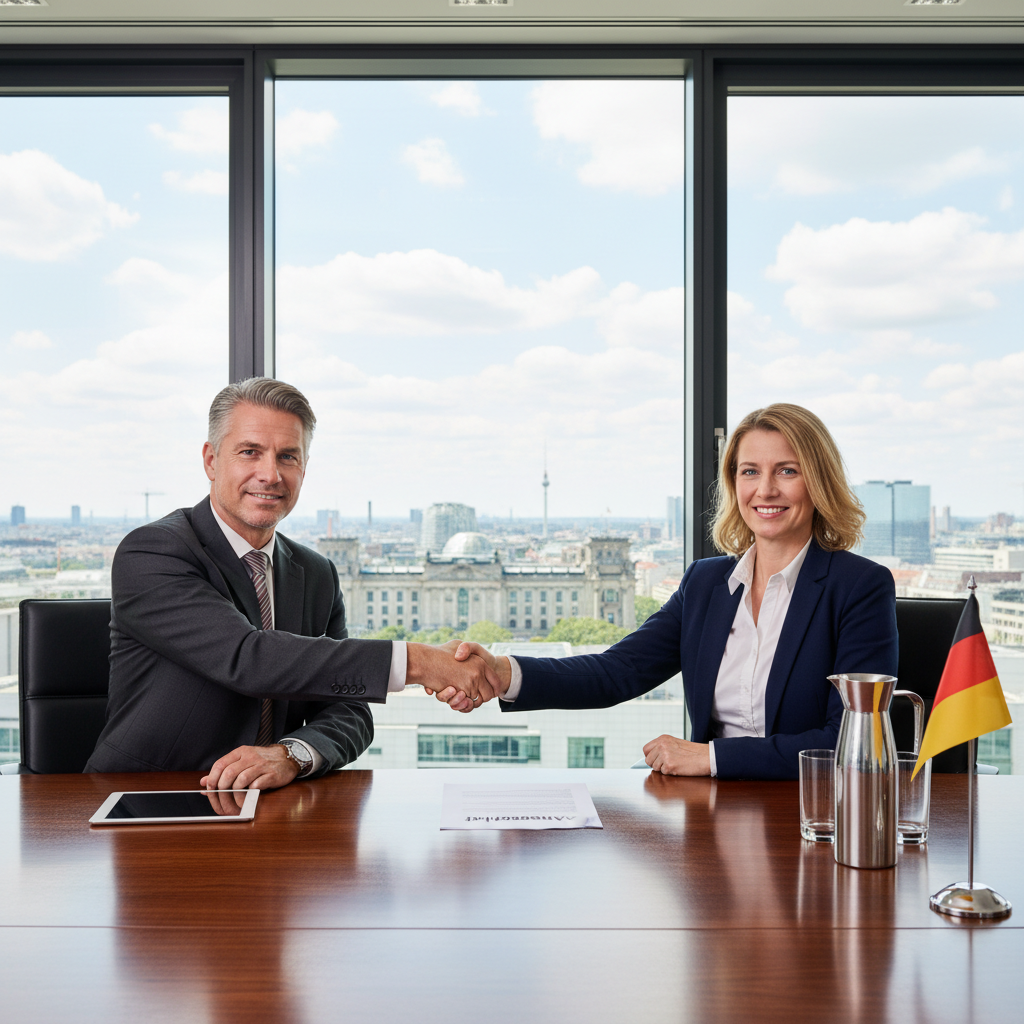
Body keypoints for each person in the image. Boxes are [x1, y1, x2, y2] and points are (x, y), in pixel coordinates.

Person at [437, 403, 897, 780]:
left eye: (787, 471)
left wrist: (710, 757)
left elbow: (851, 741)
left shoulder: (859, 587)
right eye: (749, 471)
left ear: (818, 481)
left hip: (812, 818)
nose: (765, 489)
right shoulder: (706, 583)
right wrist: (501, 672)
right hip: (711, 817)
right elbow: (617, 671)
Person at [86, 377, 498, 789]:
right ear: (211, 460)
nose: (270, 475)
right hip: (148, 795)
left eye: (287, 456)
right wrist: (421, 662)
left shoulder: (316, 572)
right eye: (250, 452)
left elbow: (349, 710)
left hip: (274, 804)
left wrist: (292, 754)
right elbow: (248, 658)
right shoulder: (153, 552)